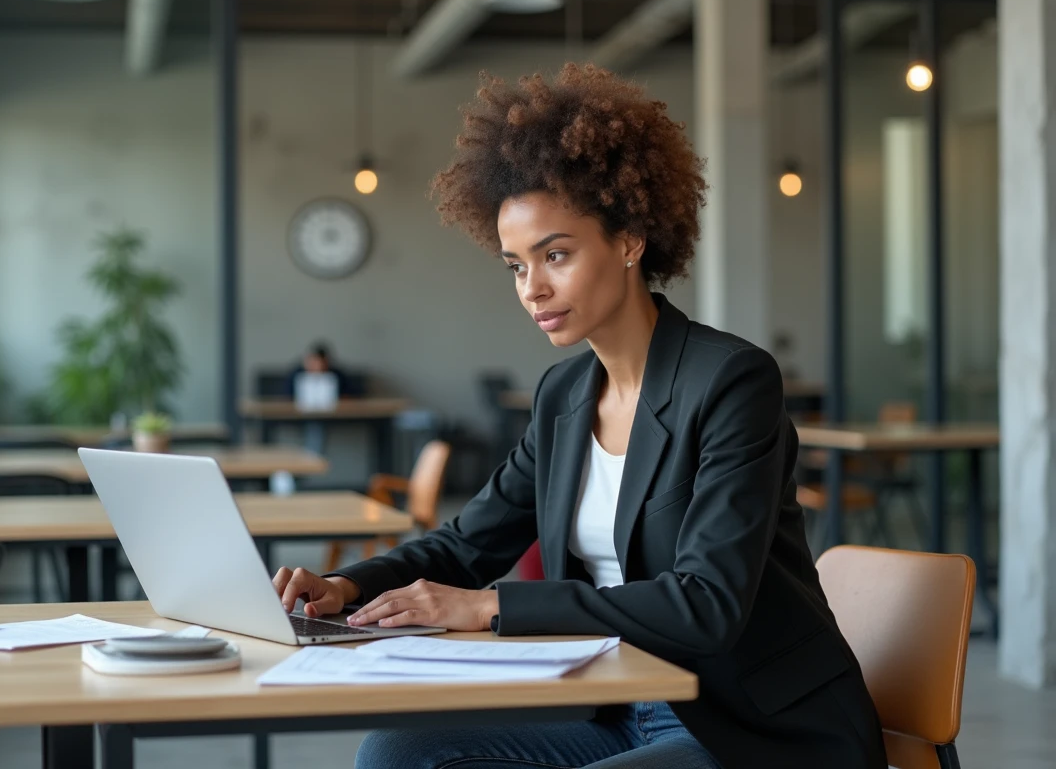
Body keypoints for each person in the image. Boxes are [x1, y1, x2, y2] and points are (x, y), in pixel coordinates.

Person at [272, 64, 886, 769]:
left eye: (556, 255)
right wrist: (348, 587)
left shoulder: (731, 382)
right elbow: (467, 544)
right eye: (515, 266)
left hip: (752, 730)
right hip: (628, 707)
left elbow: (706, 604)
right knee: (397, 754)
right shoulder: (564, 397)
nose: (533, 289)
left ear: (629, 241)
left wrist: (493, 607)